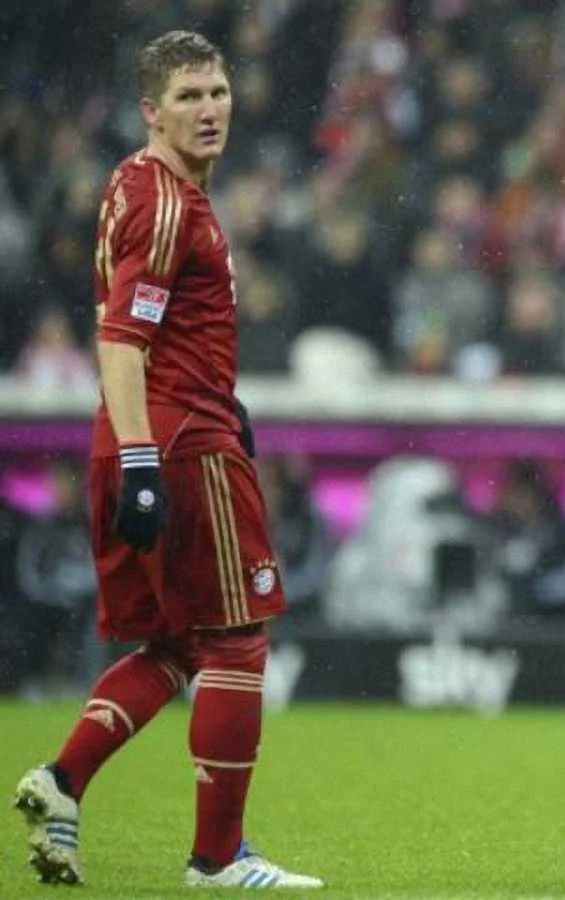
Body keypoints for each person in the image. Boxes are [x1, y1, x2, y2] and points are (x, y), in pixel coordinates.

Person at [12, 31, 322, 889]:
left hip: (146, 431)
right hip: (178, 443)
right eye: (188, 96)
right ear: (151, 110)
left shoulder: (133, 182)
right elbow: (121, 338)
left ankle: (63, 781)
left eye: (217, 92)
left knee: (178, 643)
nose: (209, 109)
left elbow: (158, 328)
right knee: (237, 641)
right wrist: (148, 460)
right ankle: (218, 857)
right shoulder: (171, 206)